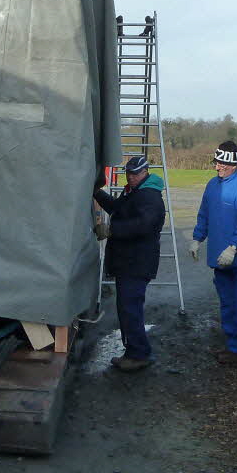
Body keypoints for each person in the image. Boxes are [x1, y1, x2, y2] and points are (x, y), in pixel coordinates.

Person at [92, 154, 167, 372]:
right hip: (130, 262)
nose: (131, 177)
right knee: (127, 308)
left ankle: (138, 354)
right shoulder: (134, 192)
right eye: (129, 173)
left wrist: (112, 229)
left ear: (145, 173)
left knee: (130, 309)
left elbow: (144, 225)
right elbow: (117, 208)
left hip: (137, 263)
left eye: (135, 174)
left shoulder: (150, 196)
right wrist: (97, 193)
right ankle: (134, 352)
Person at [189, 140, 237, 363]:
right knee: (227, 303)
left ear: (234, 164)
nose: (218, 167)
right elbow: (204, 215)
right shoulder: (212, 186)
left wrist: (234, 247)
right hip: (220, 261)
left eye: (222, 164)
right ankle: (232, 344)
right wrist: (197, 238)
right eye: (216, 163)